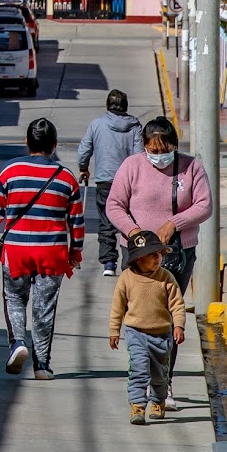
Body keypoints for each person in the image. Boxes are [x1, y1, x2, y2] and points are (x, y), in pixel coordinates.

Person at [105, 116, 211, 404]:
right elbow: (114, 204)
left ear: (175, 145)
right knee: (142, 317)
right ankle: (144, 379)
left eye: (164, 149)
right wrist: (134, 231)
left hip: (178, 254)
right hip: (139, 256)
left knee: (167, 318)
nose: (158, 155)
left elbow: (205, 205)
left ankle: (164, 383)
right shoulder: (132, 167)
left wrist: (175, 223)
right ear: (144, 147)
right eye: (152, 149)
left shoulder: (191, 168)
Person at [0, 116, 84, 381]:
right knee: (44, 307)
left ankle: (17, 344)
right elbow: (77, 222)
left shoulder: (9, 172)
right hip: (52, 253)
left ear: (27, 142)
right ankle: (42, 365)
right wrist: (75, 252)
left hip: (17, 252)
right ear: (55, 145)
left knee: (14, 298)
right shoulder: (67, 178)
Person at [108, 229, 186, 424]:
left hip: (161, 334)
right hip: (136, 333)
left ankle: (158, 400)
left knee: (159, 375)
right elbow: (118, 307)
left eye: (158, 254)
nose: (157, 258)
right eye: (151, 255)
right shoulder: (126, 278)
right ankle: (137, 406)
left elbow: (177, 304)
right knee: (139, 368)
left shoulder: (166, 277)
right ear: (137, 259)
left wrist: (179, 326)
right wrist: (114, 331)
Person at [74, 88, 144, 276]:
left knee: (106, 221)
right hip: (128, 182)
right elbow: (139, 155)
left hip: (105, 180)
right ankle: (129, 260)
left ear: (107, 105)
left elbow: (84, 150)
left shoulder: (96, 124)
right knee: (128, 220)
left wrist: (83, 168)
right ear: (125, 106)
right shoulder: (135, 126)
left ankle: (109, 263)